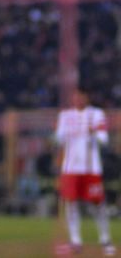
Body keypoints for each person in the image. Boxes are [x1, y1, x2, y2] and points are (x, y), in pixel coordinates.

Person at [55, 86, 115, 256]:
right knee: (71, 203)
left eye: (81, 96)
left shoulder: (96, 114)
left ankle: (105, 239)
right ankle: (75, 241)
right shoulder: (65, 116)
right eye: (75, 96)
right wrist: (59, 137)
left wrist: (93, 132)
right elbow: (58, 139)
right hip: (70, 168)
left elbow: (104, 140)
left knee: (98, 204)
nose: (78, 99)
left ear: (87, 97)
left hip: (91, 168)